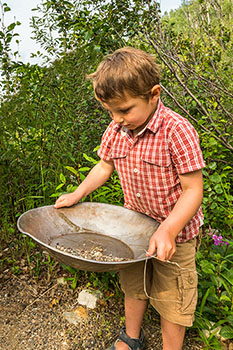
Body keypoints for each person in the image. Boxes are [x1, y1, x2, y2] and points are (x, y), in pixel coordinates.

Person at [54, 47, 205, 350]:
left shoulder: (177, 131)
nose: (117, 119)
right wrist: (78, 193)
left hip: (175, 234)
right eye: (110, 111)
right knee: (133, 286)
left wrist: (168, 229)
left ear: (154, 94)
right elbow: (105, 165)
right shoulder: (117, 129)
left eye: (124, 110)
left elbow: (193, 191)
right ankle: (132, 337)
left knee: (172, 297)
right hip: (133, 228)